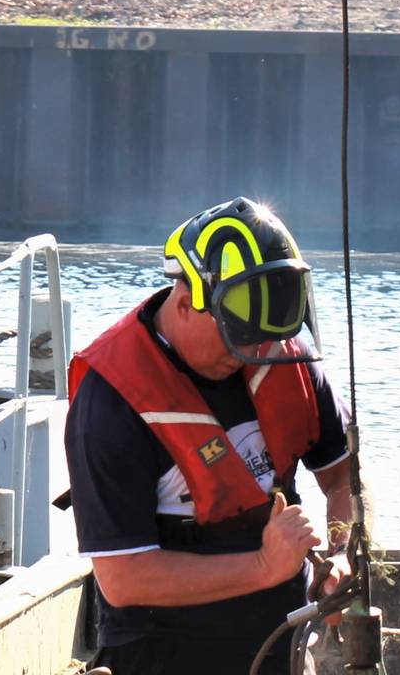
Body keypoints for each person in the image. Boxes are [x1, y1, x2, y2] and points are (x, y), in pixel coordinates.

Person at [65, 198, 360, 675]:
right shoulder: (112, 399)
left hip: (279, 636)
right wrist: (265, 565)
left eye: (263, 340)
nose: (250, 355)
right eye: (237, 338)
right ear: (185, 304)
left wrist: (342, 552)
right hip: (163, 650)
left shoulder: (280, 354)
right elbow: (123, 578)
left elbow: (345, 476)